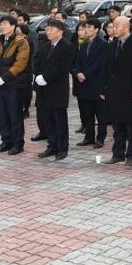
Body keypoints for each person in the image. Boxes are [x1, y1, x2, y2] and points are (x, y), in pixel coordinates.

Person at [102, 17, 132, 166]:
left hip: (130, 93)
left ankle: (131, 155)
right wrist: (103, 88)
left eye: (117, 26)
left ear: (126, 27)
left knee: (131, 127)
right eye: (113, 26)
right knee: (117, 127)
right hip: (114, 93)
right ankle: (118, 154)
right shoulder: (111, 45)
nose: (114, 29)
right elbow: (106, 69)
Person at [33, 19, 76, 160]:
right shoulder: (44, 46)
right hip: (43, 89)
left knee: (59, 120)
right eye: (47, 30)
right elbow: (36, 61)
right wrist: (38, 75)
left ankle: (62, 148)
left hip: (57, 88)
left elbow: (62, 68)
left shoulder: (67, 47)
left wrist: (46, 77)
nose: (48, 32)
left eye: (51, 30)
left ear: (60, 31)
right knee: (47, 119)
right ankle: (51, 146)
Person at [0, 16, 31, 156]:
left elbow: (20, 64)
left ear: (13, 26)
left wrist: (4, 78)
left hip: (14, 84)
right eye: (1, 24)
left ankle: (18, 143)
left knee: (15, 114)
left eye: (5, 24)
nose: (2, 26)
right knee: (2, 115)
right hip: (1, 85)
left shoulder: (21, 42)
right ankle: (6, 140)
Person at [73, 18, 109, 148]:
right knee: (87, 113)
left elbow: (100, 64)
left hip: (96, 84)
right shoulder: (83, 44)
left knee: (100, 114)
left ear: (96, 29)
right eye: (85, 27)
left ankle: (101, 138)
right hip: (83, 84)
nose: (86, 30)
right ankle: (89, 137)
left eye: (89, 27)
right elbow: (77, 62)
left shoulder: (104, 45)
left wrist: (85, 74)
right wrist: (77, 73)